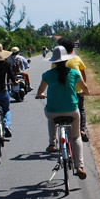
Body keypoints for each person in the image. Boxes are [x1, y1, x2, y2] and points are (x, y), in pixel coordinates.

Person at [36, 45, 91, 179]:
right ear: (67, 60)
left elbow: (40, 91)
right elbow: (86, 88)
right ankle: (79, 166)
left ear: (54, 61)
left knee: (50, 117)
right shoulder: (74, 73)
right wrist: (84, 93)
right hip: (72, 111)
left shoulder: (48, 75)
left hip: (53, 112)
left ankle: (52, 143)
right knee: (76, 137)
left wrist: (41, 95)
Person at [56, 37, 89, 142]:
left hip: (62, 92)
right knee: (81, 109)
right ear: (71, 50)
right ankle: (82, 129)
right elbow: (83, 74)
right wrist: (84, 86)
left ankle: (53, 140)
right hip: (78, 90)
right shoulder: (77, 59)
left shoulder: (56, 62)